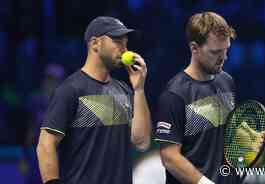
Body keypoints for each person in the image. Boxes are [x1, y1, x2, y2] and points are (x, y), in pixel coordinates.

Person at [36, 16, 151, 184]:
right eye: (117, 41)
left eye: (125, 43)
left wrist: (139, 89)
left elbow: (141, 142)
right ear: (95, 43)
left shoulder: (125, 91)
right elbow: (46, 145)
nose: (125, 50)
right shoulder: (70, 90)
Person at [155, 12, 239, 184]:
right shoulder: (174, 94)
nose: (224, 58)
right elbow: (169, 157)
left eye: (226, 49)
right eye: (215, 52)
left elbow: (226, 137)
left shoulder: (227, 82)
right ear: (194, 48)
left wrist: (248, 142)